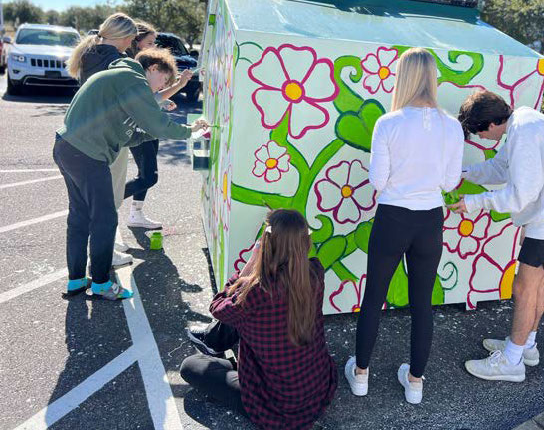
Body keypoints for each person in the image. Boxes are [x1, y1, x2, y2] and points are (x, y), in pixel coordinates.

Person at [344, 48, 464, 404]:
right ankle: (415, 382)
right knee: (422, 303)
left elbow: (378, 181)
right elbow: (450, 182)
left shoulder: (388, 122)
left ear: (403, 77)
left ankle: (361, 375)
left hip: (393, 217)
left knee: (374, 296)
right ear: (433, 78)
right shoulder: (452, 126)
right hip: (430, 219)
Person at [452, 90, 544, 382]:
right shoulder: (523, 123)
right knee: (535, 286)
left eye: (479, 133)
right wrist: (463, 172)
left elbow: (521, 195)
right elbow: (500, 168)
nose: (481, 138)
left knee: (524, 288)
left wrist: (474, 203)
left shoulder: (523, 132)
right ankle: (526, 346)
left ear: (490, 124)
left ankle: (511, 361)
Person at [54, 48, 208, 300]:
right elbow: (158, 124)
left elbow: (130, 135)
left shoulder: (120, 79)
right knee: (104, 220)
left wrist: (154, 132)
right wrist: (191, 130)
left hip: (68, 147)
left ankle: (77, 281)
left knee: (80, 216)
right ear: (153, 68)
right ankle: (101, 284)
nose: (162, 87)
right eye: (164, 80)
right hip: (88, 154)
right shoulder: (132, 79)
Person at [180, 209, 337, 429]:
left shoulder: (256, 292)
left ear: (267, 245)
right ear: (305, 243)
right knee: (242, 316)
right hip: (316, 388)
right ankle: (213, 342)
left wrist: (252, 262)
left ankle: (216, 348)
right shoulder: (314, 272)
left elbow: (218, 306)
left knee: (190, 366)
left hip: (275, 404)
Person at [66, 12, 138, 266]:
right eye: (131, 38)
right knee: (110, 201)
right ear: (123, 36)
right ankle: (104, 257)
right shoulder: (116, 61)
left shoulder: (89, 54)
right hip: (109, 136)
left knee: (83, 209)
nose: (131, 44)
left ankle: (85, 266)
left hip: (83, 136)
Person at [119, 21, 195, 230]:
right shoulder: (133, 68)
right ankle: (108, 201)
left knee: (146, 175)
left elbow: (151, 98)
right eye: (150, 42)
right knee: (148, 177)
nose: (154, 47)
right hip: (140, 129)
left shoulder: (140, 68)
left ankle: (135, 213)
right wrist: (177, 87)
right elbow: (145, 102)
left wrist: (165, 96)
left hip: (147, 128)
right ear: (136, 41)